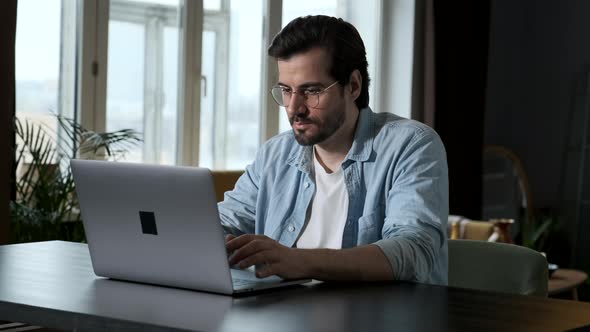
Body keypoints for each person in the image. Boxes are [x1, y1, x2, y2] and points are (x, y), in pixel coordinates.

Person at [219, 15, 448, 285]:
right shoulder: (274, 155)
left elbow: (413, 251)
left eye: (312, 91)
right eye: (286, 91)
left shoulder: (412, 145)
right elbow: (219, 226)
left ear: (353, 86)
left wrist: (299, 260)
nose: (294, 108)